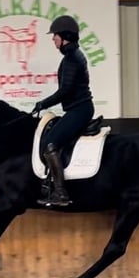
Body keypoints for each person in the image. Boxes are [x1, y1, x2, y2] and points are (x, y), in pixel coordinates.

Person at [32, 14, 95, 207]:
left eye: (55, 36)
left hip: (80, 111)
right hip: (79, 109)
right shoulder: (74, 55)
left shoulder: (71, 58)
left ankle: (60, 193)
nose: (53, 39)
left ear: (64, 36)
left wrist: (43, 103)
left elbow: (65, 91)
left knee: (49, 144)